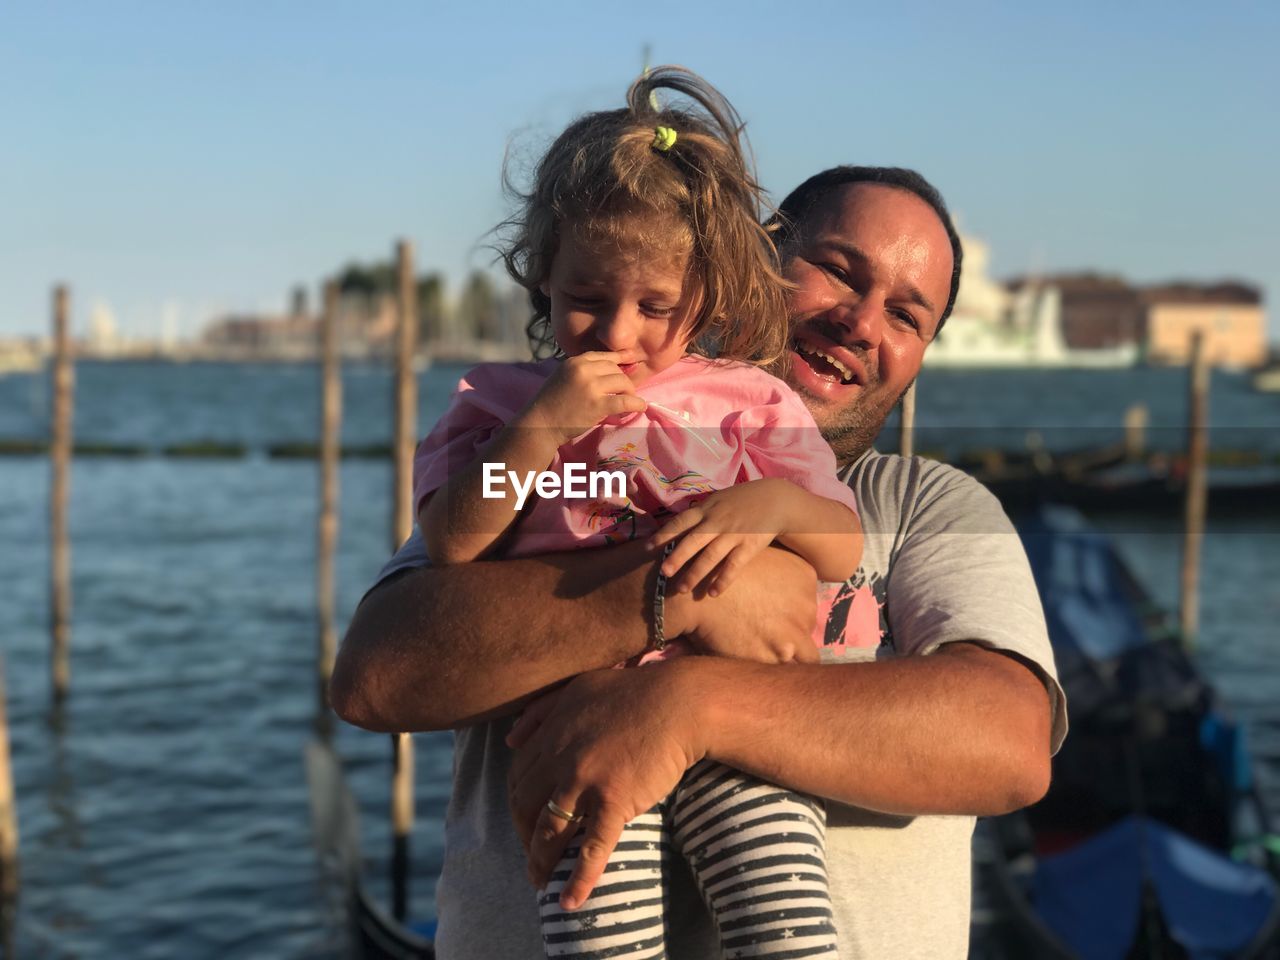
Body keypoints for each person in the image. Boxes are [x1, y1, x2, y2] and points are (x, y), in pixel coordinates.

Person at [330, 163, 1068, 960]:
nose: (859, 322)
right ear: (749, 265)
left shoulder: (926, 506)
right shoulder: (541, 448)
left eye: (904, 314)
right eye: (837, 272)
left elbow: (1009, 744)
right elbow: (375, 676)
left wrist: (686, 706)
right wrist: (682, 595)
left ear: (920, 353)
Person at [415, 68, 861, 958]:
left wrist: (772, 503)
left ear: (706, 295)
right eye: (587, 299)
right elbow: (452, 542)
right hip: (568, 723)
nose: (618, 334)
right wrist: (537, 430)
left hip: (737, 712)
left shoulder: (747, 405)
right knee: (593, 926)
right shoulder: (496, 407)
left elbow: (841, 550)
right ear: (541, 276)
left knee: (787, 924)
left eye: (656, 307)